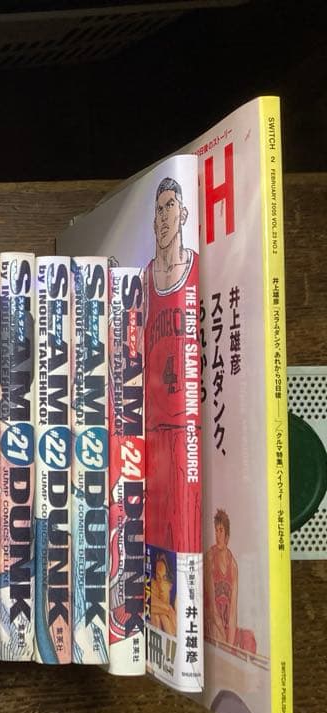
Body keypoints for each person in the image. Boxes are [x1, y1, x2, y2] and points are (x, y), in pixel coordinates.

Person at [144, 177, 201, 557]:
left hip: (186, 434)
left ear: (183, 214)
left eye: (170, 207)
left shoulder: (196, 269)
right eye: (158, 210)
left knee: (184, 538)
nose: (164, 217)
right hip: (151, 434)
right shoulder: (143, 278)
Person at [205, 508, 257, 653]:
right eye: (216, 531)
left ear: (227, 535)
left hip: (227, 624)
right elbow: (211, 606)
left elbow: (233, 611)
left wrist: (230, 644)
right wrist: (223, 637)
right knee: (217, 635)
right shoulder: (210, 558)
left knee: (248, 640)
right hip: (212, 620)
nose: (217, 535)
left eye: (221, 531)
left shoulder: (233, 566)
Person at [149, 550, 177, 635]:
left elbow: (174, 632)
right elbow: (147, 603)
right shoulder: (153, 584)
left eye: (164, 578)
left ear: (171, 584)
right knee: (156, 616)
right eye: (158, 577)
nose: (160, 583)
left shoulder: (177, 602)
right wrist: (168, 610)